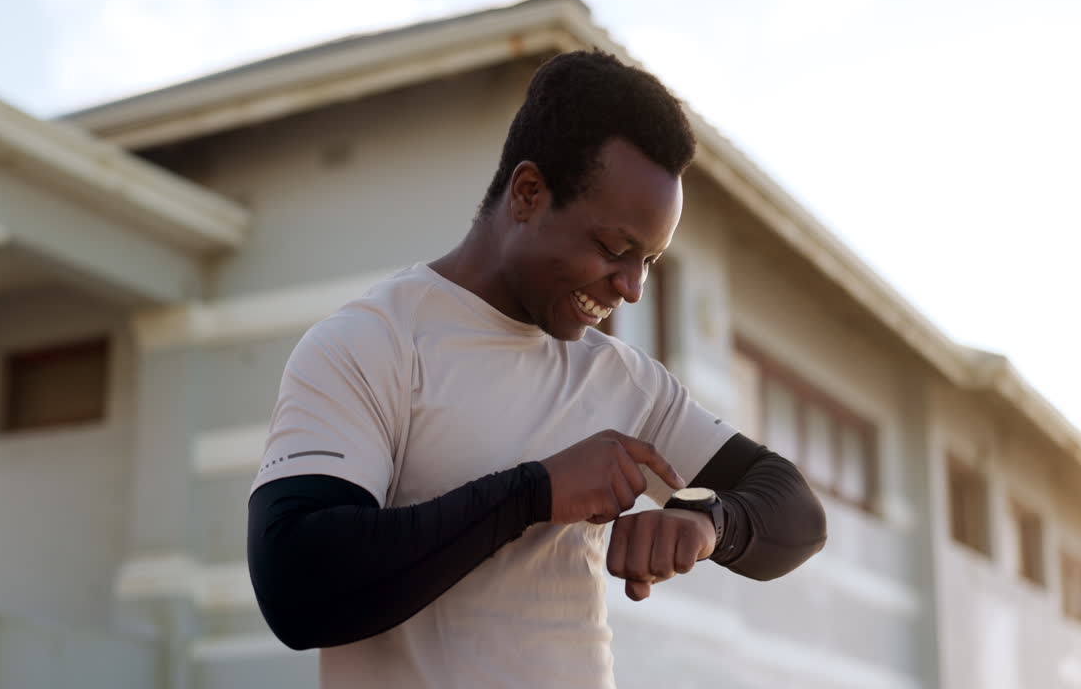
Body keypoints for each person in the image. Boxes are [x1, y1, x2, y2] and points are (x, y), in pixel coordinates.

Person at [247, 50, 827, 688]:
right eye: (614, 248)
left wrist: (707, 522)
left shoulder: (626, 382)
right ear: (528, 194)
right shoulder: (372, 343)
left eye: (650, 261)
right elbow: (297, 587)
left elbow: (795, 513)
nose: (632, 288)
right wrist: (534, 493)